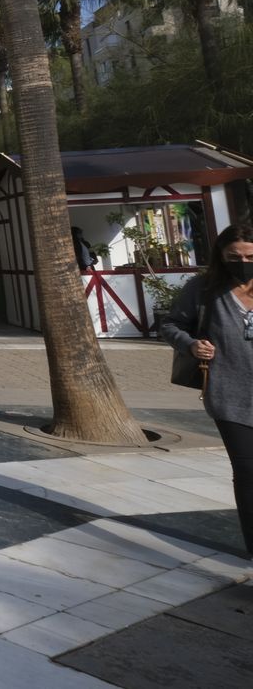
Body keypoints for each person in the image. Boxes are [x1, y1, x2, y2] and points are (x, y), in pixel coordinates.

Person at [159, 222, 253, 557]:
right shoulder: (204, 288)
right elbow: (170, 324)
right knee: (247, 472)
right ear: (221, 255)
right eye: (234, 256)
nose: (242, 262)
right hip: (230, 396)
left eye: (249, 255)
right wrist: (191, 344)